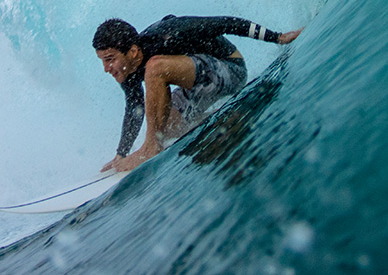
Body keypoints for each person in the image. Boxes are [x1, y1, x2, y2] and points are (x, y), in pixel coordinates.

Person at [93, 15, 302, 172]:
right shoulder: (127, 70)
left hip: (230, 70)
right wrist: (121, 153)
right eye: (102, 60)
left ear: (133, 52)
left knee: (155, 68)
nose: (106, 68)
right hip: (197, 85)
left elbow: (225, 23)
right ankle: (216, 116)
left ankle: (151, 147)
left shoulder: (169, 34)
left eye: (110, 59)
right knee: (164, 126)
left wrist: (278, 38)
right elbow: (135, 108)